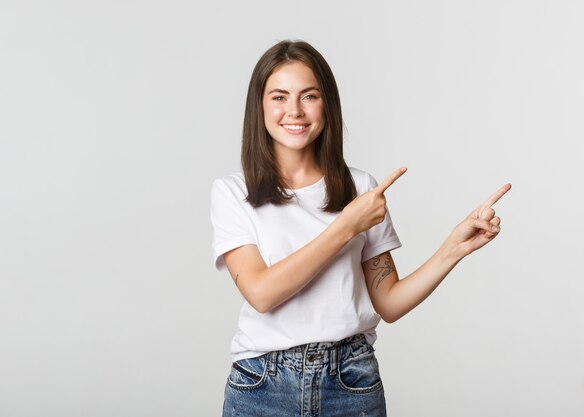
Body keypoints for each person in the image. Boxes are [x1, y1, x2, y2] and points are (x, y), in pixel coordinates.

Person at [210, 39, 511, 417]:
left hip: (350, 381)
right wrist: (347, 225)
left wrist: (453, 248)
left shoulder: (361, 189)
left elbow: (389, 302)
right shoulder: (234, 193)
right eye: (279, 97)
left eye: (309, 96)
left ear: (327, 104)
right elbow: (262, 294)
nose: (294, 111)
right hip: (263, 385)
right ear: (260, 106)